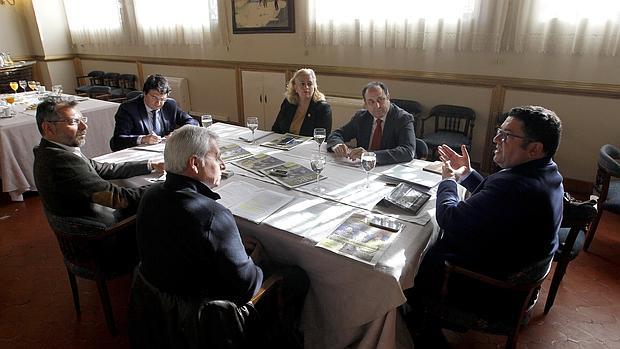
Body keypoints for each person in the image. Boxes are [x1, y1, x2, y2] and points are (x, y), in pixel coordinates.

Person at [406, 106, 564, 345]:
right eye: (500, 131)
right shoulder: (546, 172)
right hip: (511, 270)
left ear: (534, 148)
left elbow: (450, 218)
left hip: (488, 290)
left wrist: (448, 180)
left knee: (411, 258)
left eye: (507, 135)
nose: (495, 139)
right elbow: (496, 201)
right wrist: (466, 173)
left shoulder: (514, 185)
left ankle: (420, 328)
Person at [33, 100, 164, 227]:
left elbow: (103, 168)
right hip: (106, 230)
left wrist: (150, 165)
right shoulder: (61, 162)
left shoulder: (54, 150)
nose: (84, 127)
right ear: (48, 128)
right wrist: (166, 186)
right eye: (74, 122)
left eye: (83, 120)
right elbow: (119, 199)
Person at [325, 81, 416, 165]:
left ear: (388, 97)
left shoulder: (403, 118)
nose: (377, 106)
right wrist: (336, 145)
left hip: (388, 169)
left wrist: (370, 155)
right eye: (371, 102)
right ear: (365, 104)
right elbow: (336, 134)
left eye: (380, 99)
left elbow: (407, 151)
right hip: (362, 168)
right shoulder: (361, 117)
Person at [110, 74, 198, 151]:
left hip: (164, 151)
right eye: (154, 97)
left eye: (162, 99)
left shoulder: (170, 105)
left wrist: (177, 133)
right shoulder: (128, 109)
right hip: (139, 155)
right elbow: (118, 140)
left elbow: (193, 122)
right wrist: (143, 139)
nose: (158, 103)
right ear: (144, 93)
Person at [271, 68, 332, 136]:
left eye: (309, 84)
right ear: (295, 87)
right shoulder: (288, 102)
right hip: (284, 144)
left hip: (308, 146)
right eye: (302, 84)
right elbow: (276, 128)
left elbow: (323, 137)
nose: (306, 87)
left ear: (314, 87)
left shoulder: (322, 108)